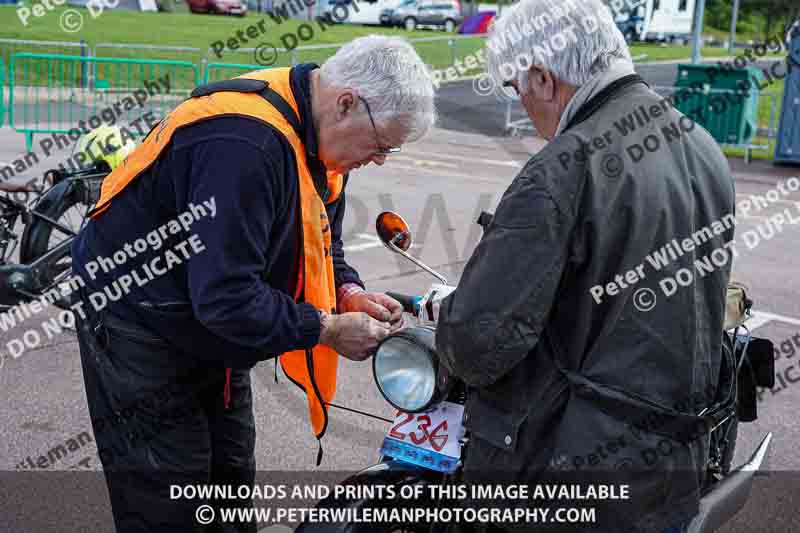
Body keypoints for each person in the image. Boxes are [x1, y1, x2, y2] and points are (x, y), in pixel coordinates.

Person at [70, 35, 436, 532]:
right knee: (168, 497)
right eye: (381, 145)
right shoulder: (245, 145)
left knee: (230, 478)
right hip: (140, 319)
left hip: (211, 324)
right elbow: (226, 297)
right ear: (346, 103)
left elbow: (322, 240)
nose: (380, 160)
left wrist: (348, 291)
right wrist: (326, 328)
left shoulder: (321, 134)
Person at [435, 1, 735, 531]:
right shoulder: (700, 144)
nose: (522, 104)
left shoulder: (562, 169)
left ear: (543, 79)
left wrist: (450, 319)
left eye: (515, 88)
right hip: (670, 464)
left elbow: (479, 343)